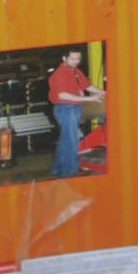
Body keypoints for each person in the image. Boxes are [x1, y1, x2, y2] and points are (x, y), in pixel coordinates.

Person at [48, 48, 99, 178]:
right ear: (64, 59)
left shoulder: (75, 71)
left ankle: (57, 168)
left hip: (73, 108)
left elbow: (87, 86)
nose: (76, 61)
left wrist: (103, 92)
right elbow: (62, 95)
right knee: (71, 141)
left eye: (78, 58)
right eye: (73, 58)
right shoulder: (59, 74)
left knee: (65, 139)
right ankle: (71, 171)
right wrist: (89, 99)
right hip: (66, 109)